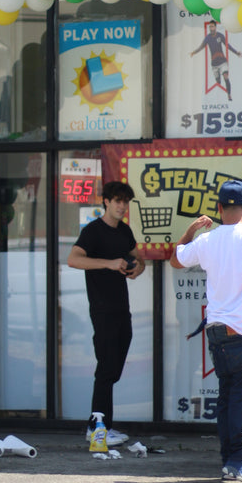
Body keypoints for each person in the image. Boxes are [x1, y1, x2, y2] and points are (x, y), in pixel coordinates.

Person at [170, 180, 242, 483]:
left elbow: (176, 259)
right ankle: (241, 460)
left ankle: (232, 459)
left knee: (228, 397)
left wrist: (191, 230)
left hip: (217, 332)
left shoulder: (206, 241)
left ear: (218, 208)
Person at [67, 180, 145, 446]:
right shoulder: (93, 231)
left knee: (113, 368)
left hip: (122, 307)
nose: (122, 206)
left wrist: (137, 268)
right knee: (106, 367)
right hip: (102, 308)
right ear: (107, 202)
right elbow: (73, 259)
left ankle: (103, 425)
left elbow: (138, 258)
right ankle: (97, 427)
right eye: (118, 201)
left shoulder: (124, 231)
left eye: (126, 202)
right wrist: (109, 264)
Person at [190, 20, 241, 101]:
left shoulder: (220, 36)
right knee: (218, 82)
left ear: (215, 27)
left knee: (226, 77)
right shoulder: (208, 38)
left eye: (212, 26)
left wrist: (236, 52)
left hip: (222, 61)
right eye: (210, 26)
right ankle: (219, 97)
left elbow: (227, 45)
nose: (211, 28)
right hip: (214, 64)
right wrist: (194, 52)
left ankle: (229, 95)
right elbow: (201, 46)